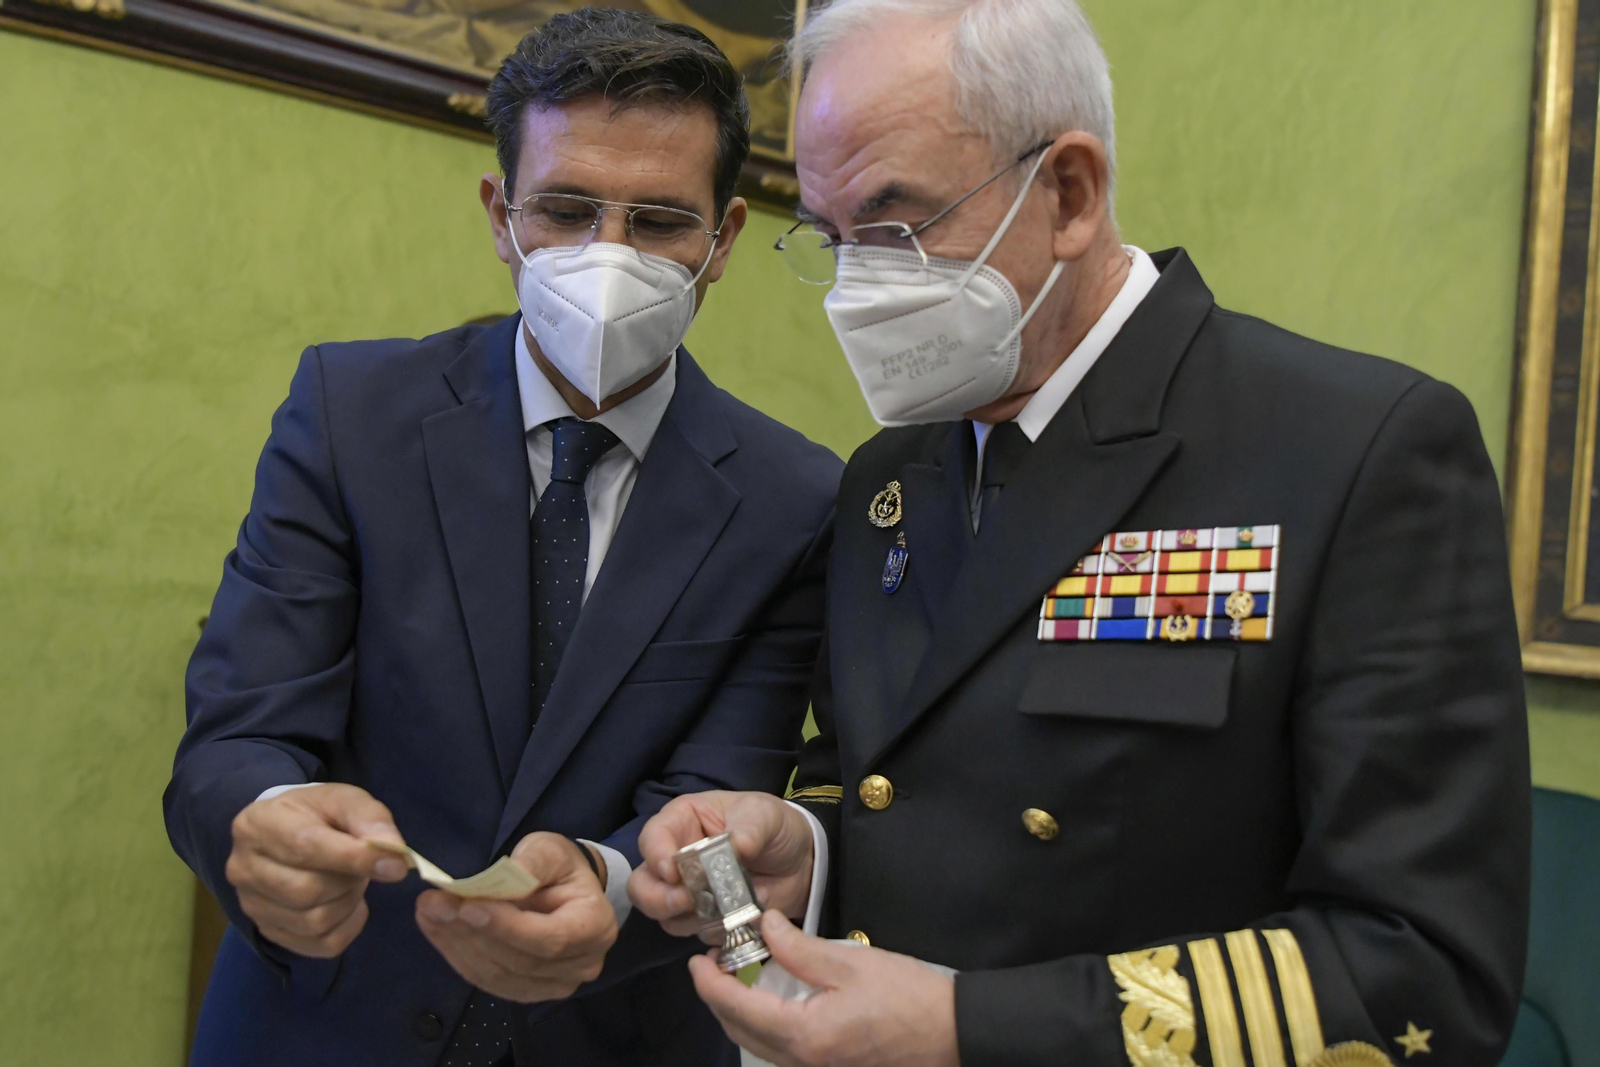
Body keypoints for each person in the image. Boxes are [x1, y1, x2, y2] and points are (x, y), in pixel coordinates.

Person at [627, 2, 1531, 1065]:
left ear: (1068, 193)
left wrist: (967, 1028)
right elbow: (885, 776)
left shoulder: (1353, 450)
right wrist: (805, 848)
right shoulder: (888, 479)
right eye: (831, 240)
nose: (858, 288)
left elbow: (1421, 966)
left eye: (894, 226)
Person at [165, 10, 841, 1067]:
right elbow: (239, 729)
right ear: (500, 214)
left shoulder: (796, 499)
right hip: (322, 1024)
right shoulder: (349, 414)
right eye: (567, 209)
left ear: (723, 242)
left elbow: (717, 802)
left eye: (659, 220)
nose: (607, 255)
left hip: (615, 1034)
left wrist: (613, 888)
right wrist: (268, 814)